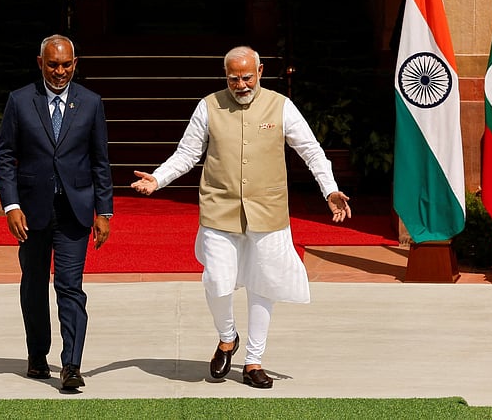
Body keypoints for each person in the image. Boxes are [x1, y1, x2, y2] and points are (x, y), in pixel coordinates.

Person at [131, 46, 350, 388]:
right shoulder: (208, 106)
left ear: (260, 72)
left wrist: (330, 189)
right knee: (217, 280)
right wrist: (158, 178)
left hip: (268, 209)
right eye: (234, 78)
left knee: (265, 284)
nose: (241, 84)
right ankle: (227, 336)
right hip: (220, 208)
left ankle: (253, 360)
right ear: (226, 77)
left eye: (247, 77)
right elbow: (187, 153)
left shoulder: (281, 106)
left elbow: (310, 149)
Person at [0, 34, 113, 390]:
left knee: (70, 287)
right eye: (53, 64)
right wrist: (11, 205)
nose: (59, 72)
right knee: (33, 285)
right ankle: (36, 354)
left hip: (75, 211)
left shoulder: (91, 103)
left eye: (65, 65)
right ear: (40, 63)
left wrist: (104, 211)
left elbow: (100, 161)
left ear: (75, 64)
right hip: (31, 213)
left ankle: (72, 365)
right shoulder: (20, 101)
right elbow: (5, 157)